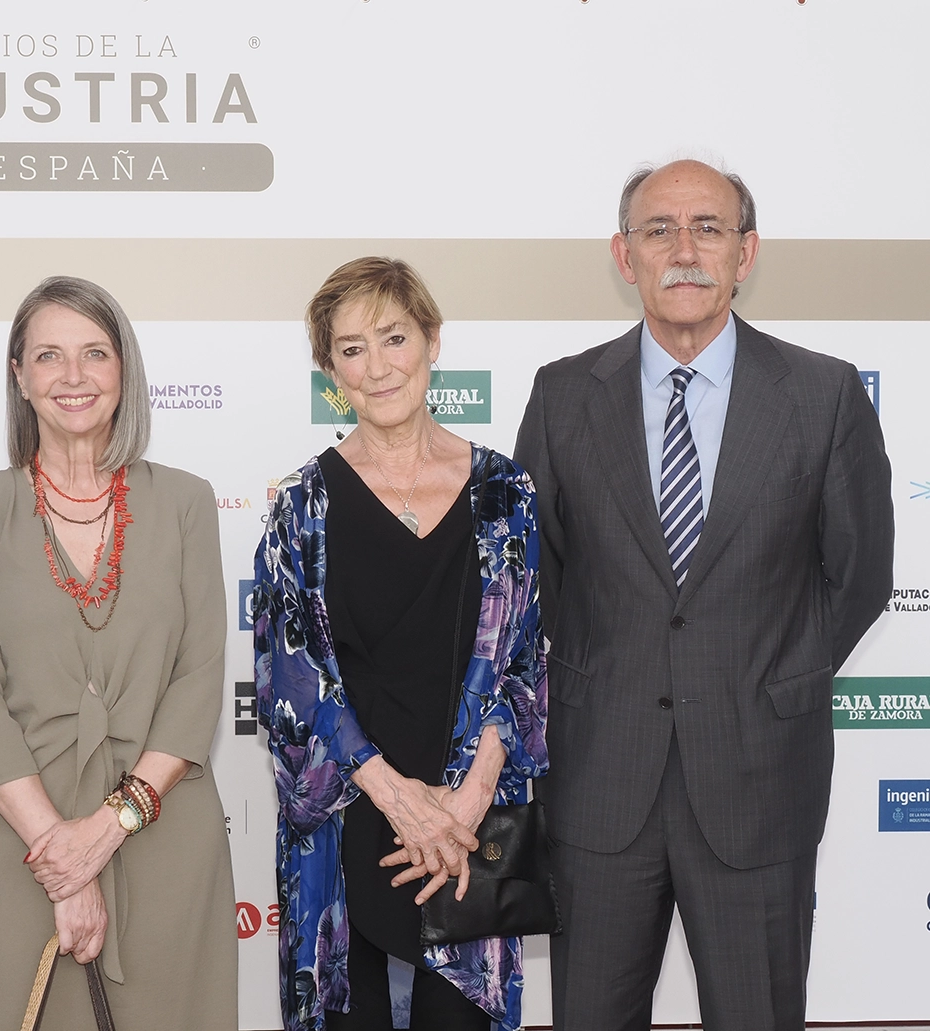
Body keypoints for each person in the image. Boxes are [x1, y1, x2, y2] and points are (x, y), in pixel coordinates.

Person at [514, 158, 894, 1031]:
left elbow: (861, 572)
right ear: (624, 255)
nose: (684, 250)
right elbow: (538, 575)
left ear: (745, 251)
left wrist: (770, 674)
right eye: (659, 230)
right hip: (601, 781)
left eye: (708, 228)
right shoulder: (564, 393)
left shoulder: (825, 393)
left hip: (761, 776)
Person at [254, 257, 549, 1031]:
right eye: (352, 349)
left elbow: (525, 660)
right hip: (352, 820)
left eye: (394, 337)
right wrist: (398, 800)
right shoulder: (299, 507)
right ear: (329, 370)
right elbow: (292, 684)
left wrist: (466, 803)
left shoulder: (503, 493)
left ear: (432, 340)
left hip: (468, 824)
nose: (377, 366)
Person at [0, 276, 237, 1029]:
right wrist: (61, 859)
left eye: (94, 353)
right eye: (49, 355)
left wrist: (108, 827)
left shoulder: (186, 501)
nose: (73, 376)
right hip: (19, 849)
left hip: (164, 831)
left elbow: (201, 678)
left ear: (124, 370)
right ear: (19, 374)